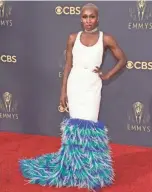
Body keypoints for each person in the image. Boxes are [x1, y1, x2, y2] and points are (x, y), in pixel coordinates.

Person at [19, 3, 127, 192]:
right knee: (75, 127)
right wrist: (63, 92)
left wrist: (107, 75)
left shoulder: (106, 39)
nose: (88, 21)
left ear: (97, 18)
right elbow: (67, 66)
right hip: (75, 85)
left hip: (92, 85)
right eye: (84, 17)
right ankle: (74, 168)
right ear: (80, 18)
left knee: (90, 126)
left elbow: (123, 59)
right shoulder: (72, 38)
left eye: (91, 17)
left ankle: (92, 171)